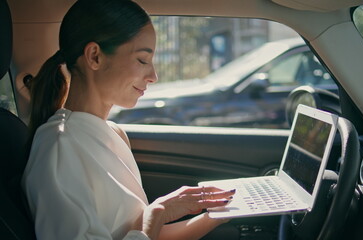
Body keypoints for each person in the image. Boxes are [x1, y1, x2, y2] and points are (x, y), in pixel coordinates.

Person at [21, 0, 235, 239]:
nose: (153, 76)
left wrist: (221, 213)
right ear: (94, 57)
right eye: (143, 60)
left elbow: (144, 234)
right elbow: (145, 229)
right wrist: (158, 212)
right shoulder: (59, 148)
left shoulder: (113, 133)